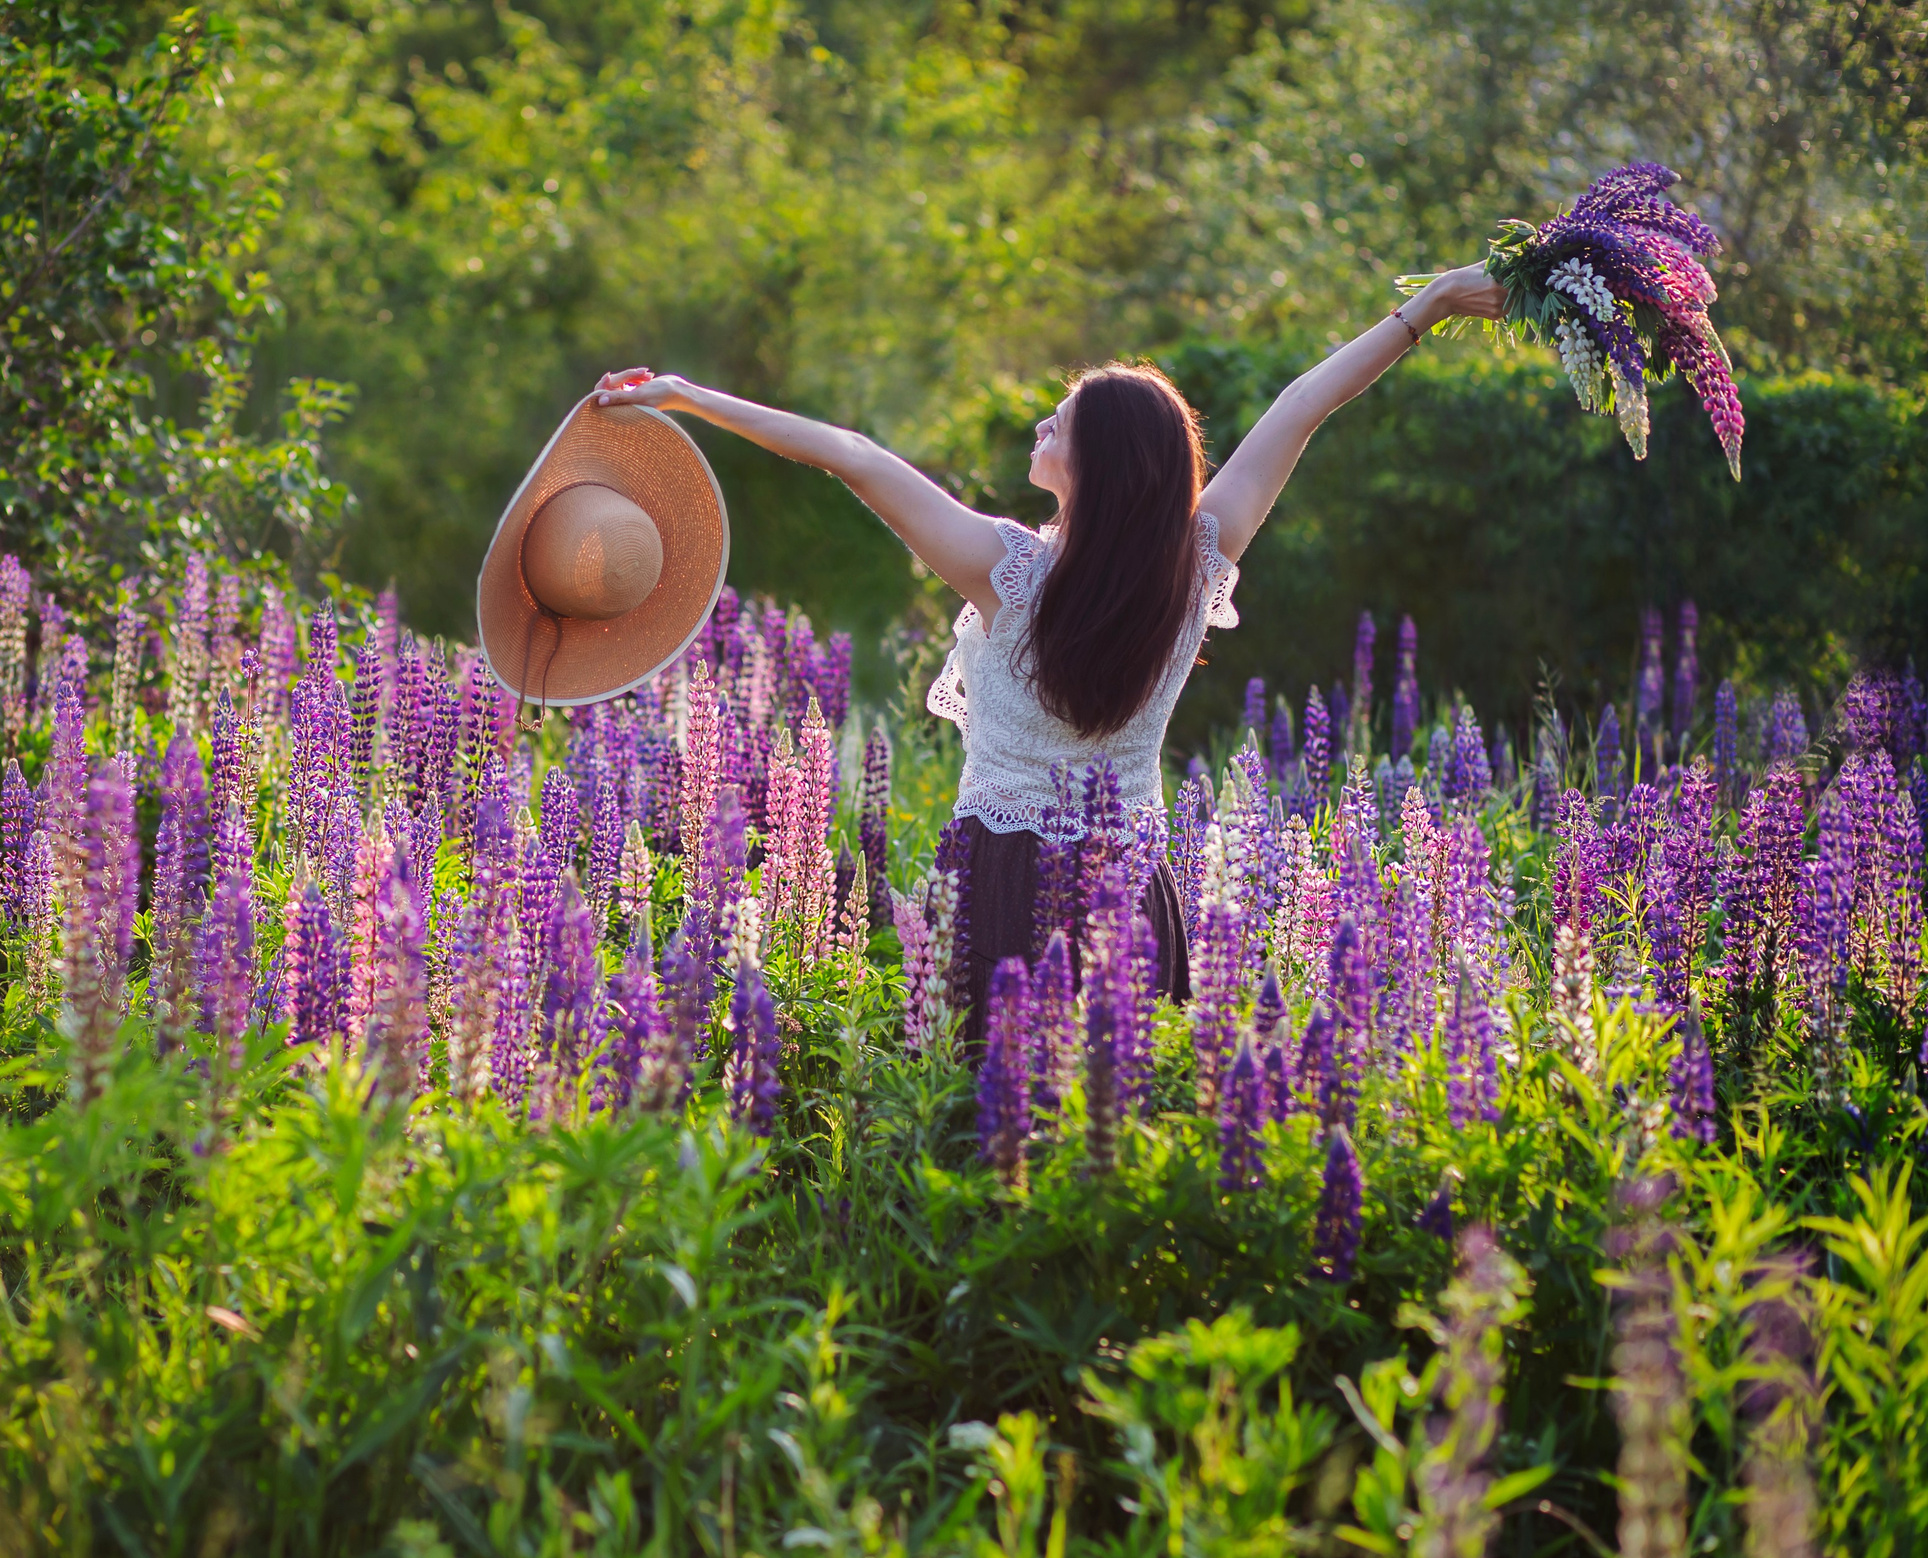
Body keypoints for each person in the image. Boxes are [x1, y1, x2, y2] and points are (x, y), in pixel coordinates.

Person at [589, 263, 1509, 1037]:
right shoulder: (1193, 565)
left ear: (1097, 463)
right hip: (1135, 885)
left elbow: (854, 456)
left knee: (992, 1127)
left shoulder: (1004, 569)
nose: (1040, 428)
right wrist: (1419, 311)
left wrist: (686, 397)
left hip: (1002, 876)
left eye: (1058, 423)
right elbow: (1303, 406)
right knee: (1118, 1117)